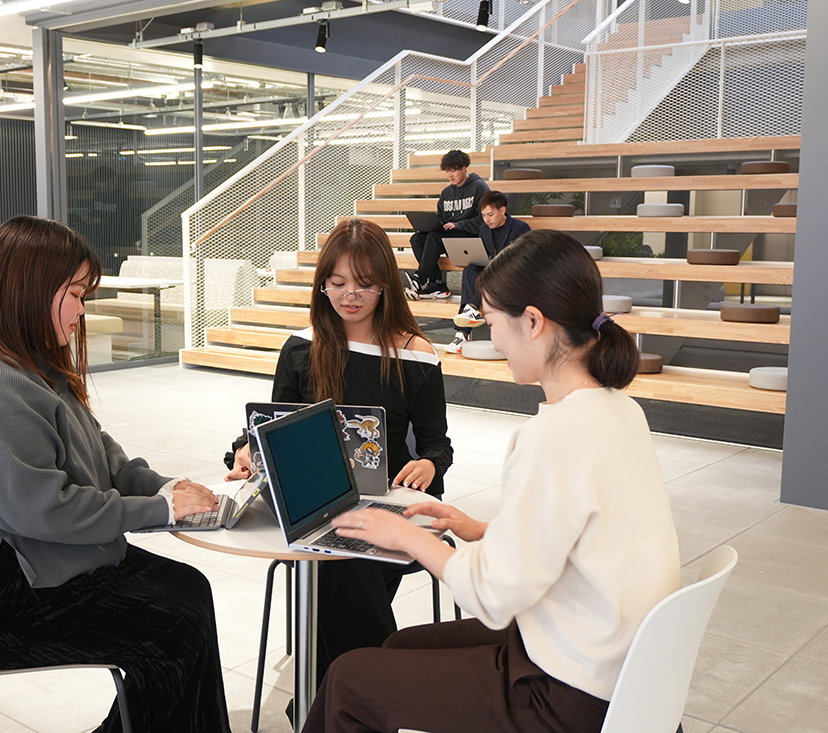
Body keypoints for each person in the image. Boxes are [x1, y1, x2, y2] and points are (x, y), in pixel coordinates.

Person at [304, 229, 681, 733]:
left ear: (533, 321)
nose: (493, 339)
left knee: (348, 679)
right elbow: (577, 534)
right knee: (397, 647)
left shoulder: (552, 434)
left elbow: (492, 595)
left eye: (491, 321)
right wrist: (482, 529)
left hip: (566, 693)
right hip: (618, 667)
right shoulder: (621, 409)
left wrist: (406, 537)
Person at [0, 215, 231, 733]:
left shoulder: (31, 364)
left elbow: (101, 454)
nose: (82, 310)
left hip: (44, 563)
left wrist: (164, 489)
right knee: (174, 626)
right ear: (30, 289)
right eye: (76, 294)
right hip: (5, 602)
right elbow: (43, 510)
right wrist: (160, 510)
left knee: (188, 591)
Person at [271, 218, 454, 684]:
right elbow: (270, 427)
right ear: (322, 285)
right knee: (334, 561)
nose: (349, 295)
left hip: (391, 505)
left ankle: (335, 692)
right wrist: (246, 451)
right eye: (336, 284)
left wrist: (428, 464)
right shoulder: (301, 348)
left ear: (386, 285)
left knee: (342, 569)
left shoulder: (414, 354)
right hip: (315, 503)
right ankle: (360, 692)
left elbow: (437, 445)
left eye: (364, 284)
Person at [446, 190, 531, 354]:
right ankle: (467, 319)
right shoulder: (484, 229)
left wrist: (500, 262)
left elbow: (529, 259)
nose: (486, 219)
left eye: (490, 215)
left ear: (502, 210)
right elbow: (483, 254)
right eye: (484, 215)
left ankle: (465, 326)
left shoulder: (521, 228)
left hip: (512, 277)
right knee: (470, 268)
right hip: (491, 274)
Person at [405, 150, 490, 300]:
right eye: (447, 171)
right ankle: (437, 283)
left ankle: (420, 278)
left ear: (465, 168)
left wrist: (458, 225)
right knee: (417, 239)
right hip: (450, 235)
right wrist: (433, 225)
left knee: (434, 237)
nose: (450, 175)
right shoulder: (446, 193)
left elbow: (484, 220)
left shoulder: (479, 187)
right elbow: (441, 218)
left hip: (470, 236)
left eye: (454, 170)